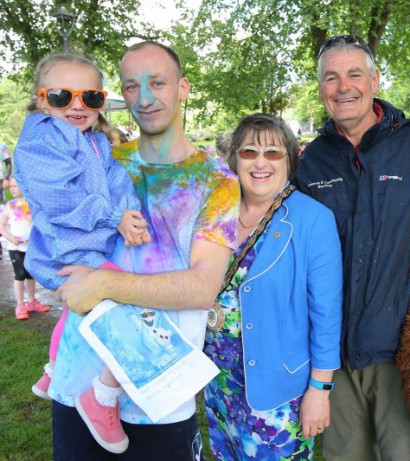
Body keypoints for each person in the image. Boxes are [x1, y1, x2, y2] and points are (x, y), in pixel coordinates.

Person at [42, 41, 240, 461]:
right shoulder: (101, 163)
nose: (145, 98)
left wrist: (101, 283)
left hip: (158, 393)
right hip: (77, 380)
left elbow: (203, 288)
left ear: (183, 87)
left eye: (158, 83)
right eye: (132, 86)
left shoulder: (216, 182)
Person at [295, 34, 410, 461]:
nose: (343, 86)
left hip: (400, 352)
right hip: (333, 354)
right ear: (320, 89)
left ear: (375, 79)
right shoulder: (309, 164)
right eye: (331, 78)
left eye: (354, 74)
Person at [13, 53, 151, 454]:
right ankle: (102, 396)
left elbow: (116, 181)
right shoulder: (40, 140)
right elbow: (59, 197)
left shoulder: (94, 141)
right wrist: (113, 215)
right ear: (41, 100)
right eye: (61, 96)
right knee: (134, 307)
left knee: (81, 312)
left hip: (89, 244)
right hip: (68, 249)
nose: (77, 105)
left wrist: (129, 214)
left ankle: (53, 369)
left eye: (90, 96)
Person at [205, 113, 342, 460]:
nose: (260, 162)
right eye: (249, 152)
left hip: (278, 394)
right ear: (235, 158)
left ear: (290, 159)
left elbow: (327, 316)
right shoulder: (216, 212)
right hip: (218, 384)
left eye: (273, 153)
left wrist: (319, 391)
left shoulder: (312, 219)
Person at [0, 175, 51, 319]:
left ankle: (31, 302)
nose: (12, 189)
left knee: (30, 274)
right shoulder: (9, 205)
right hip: (15, 248)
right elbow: (2, 225)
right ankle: (20, 305)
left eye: (15, 186)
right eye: (11, 186)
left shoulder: (33, 204)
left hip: (31, 247)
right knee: (20, 274)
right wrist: (10, 237)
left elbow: (42, 223)